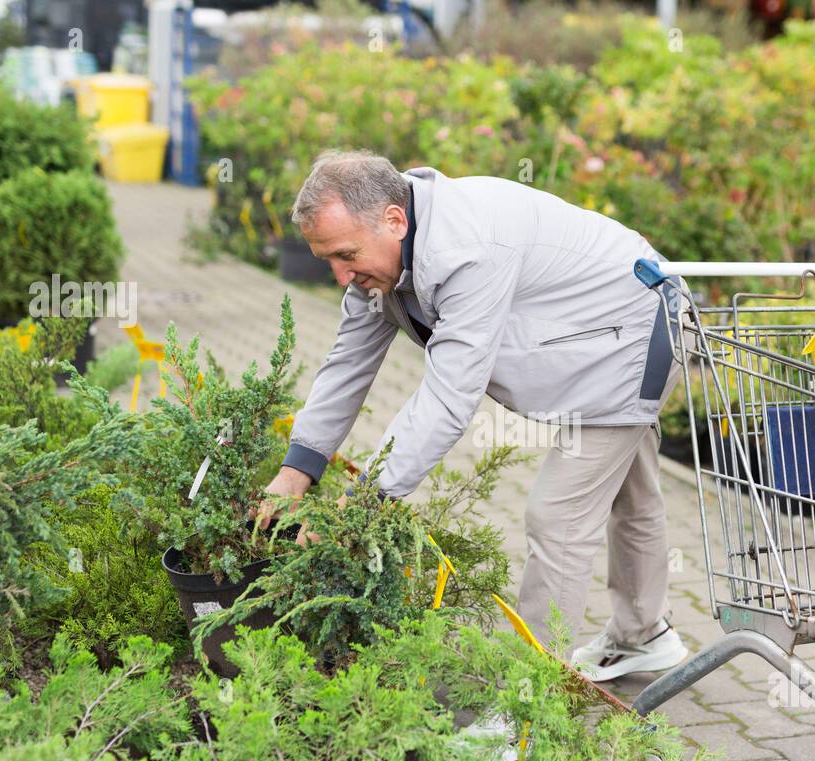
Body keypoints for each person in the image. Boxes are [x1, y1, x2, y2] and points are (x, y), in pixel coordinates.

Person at [257, 148, 688, 682]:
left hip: (634, 334)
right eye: (327, 260)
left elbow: (449, 394)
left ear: (393, 220)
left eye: (345, 255)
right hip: (598, 329)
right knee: (631, 490)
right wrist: (296, 471)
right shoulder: (387, 253)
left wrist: (363, 501)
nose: (340, 275)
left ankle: (531, 701)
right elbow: (348, 364)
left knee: (558, 518)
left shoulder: (467, 248)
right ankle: (643, 635)